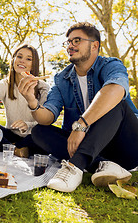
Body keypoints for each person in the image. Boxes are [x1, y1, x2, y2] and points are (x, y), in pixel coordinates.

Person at [19, 22, 138, 192]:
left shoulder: (111, 65)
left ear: (94, 45)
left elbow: (116, 89)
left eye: (76, 41)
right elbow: (47, 117)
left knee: (115, 101)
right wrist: (31, 100)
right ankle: (101, 165)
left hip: (126, 147)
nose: (70, 46)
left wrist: (81, 125)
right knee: (39, 131)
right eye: (68, 42)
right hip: (92, 147)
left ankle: (75, 167)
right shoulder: (62, 78)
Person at [0, 43, 50, 156]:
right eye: (19, 57)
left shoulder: (43, 87)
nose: (22, 61)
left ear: (33, 64)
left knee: (44, 137)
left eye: (28, 59)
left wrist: (27, 125)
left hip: (32, 135)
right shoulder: (6, 83)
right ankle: (17, 149)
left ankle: (6, 147)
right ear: (13, 59)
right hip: (10, 133)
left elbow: (45, 118)